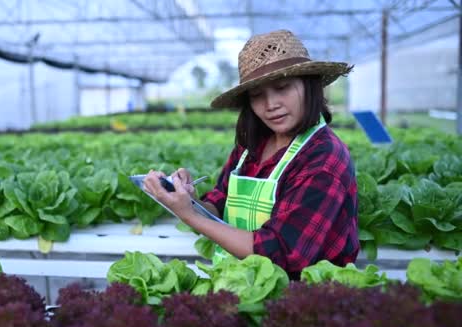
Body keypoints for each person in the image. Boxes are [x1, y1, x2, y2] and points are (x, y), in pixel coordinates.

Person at [143, 29, 359, 280]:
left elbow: (281, 253)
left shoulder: (324, 158)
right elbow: (220, 204)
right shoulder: (252, 145)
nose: (271, 105)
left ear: (309, 85)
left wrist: (190, 216)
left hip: (298, 300)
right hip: (238, 284)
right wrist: (189, 200)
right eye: (257, 95)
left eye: (282, 88)